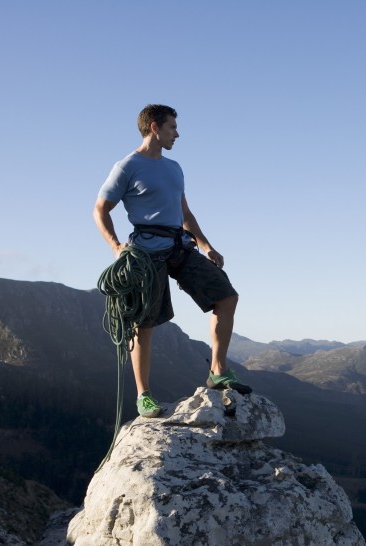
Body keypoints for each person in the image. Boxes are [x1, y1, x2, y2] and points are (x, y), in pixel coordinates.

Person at [93, 104, 251, 418]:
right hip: (146, 252)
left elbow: (185, 214)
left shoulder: (174, 167)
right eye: (172, 128)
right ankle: (144, 395)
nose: (176, 134)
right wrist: (115, 247)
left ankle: (218, 372)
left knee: (226, 297)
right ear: (154, 127)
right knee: (144, 322)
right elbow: (100, 209)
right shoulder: (127, 166)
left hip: (179, 246)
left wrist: (206, 246)